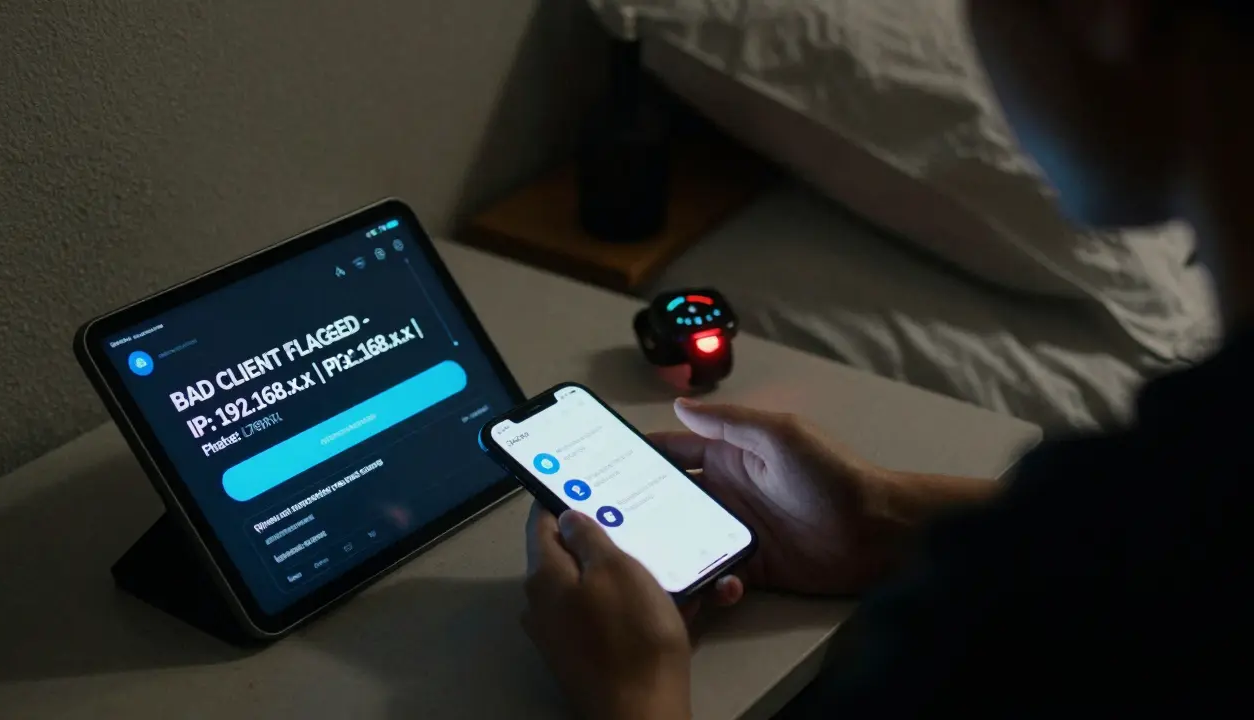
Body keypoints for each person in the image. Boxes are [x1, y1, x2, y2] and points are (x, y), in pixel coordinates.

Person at [520, 1, 1253, 716]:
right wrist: (881, 515)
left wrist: (633, 694)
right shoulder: (1182, 501)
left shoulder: (1027, 630)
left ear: (1105, 14)